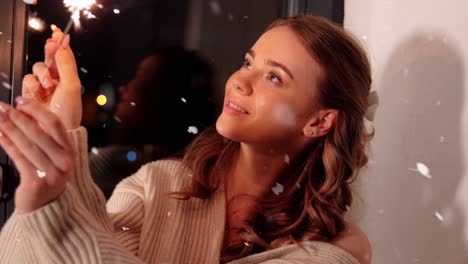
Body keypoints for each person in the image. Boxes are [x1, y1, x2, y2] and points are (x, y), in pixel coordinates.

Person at [0, 16, 374, 263]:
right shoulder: (158, 185)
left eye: (273, 77)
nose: (240, 82)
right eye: (248, 63)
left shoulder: (330, 253)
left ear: (319, 120)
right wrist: (61, 136)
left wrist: (53, 197)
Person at [89, 48, 218, 199]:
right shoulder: (199, 177)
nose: (123, 88)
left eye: (140, 77)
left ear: (166, 96)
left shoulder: (112, 165)